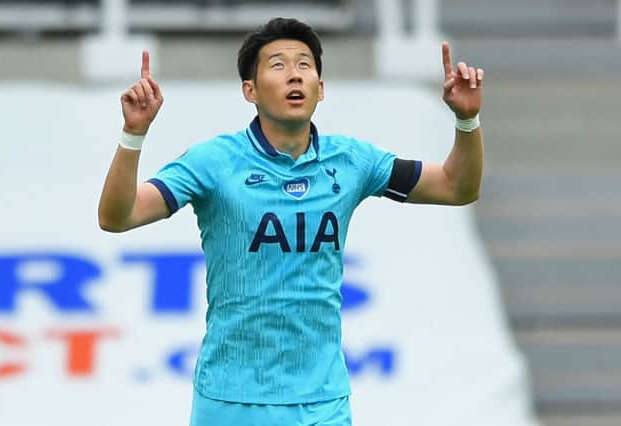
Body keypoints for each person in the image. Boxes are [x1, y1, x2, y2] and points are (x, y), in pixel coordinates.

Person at [98, 17, 483, 426]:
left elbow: (456, 187)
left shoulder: (352, 161)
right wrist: (133, 135)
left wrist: (466, 122)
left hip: (323, 401)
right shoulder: (213, 161)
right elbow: (117, 216)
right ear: (250, 90)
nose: (295, 73)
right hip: (232, 399)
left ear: (321, 87)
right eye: (278, 65)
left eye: (305, 64)